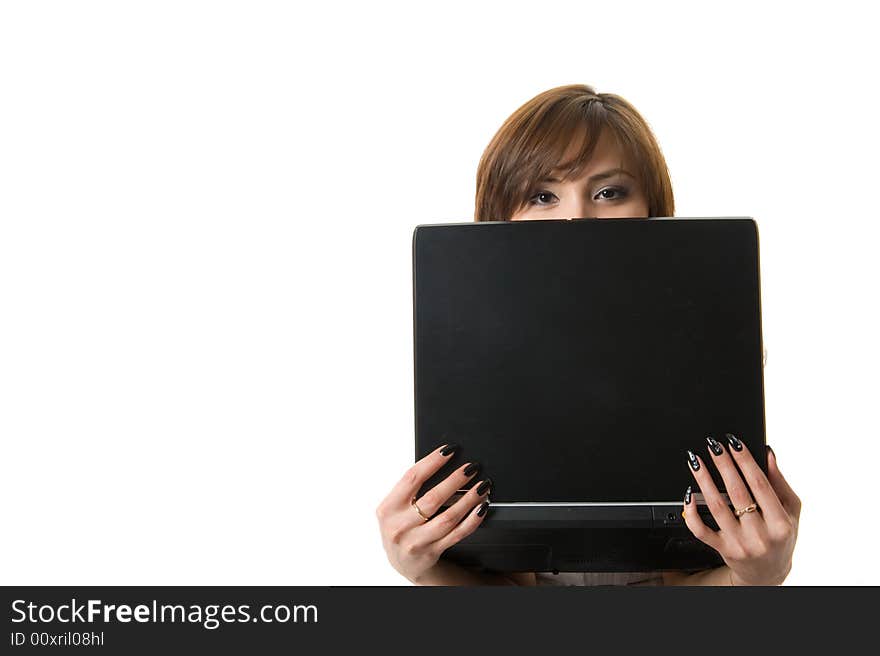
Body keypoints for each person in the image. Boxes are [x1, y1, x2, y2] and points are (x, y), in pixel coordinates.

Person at [376, 84, 801, 586]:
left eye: (608, 192)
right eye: (542, 195)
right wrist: (421, 569)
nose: (577, 216)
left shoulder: (711, 348)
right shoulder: (464, 357)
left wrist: (758, 575)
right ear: (500, 216)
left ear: (652, 207)